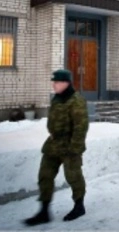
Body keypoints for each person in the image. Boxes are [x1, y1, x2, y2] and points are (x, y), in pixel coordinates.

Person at [24, 69, 89, 226]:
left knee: (73, 176)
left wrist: (75, 149)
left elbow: (81, 128)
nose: (54, 85)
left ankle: (79, 206)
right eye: (53, 82)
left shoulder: (76, 101)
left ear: (66, 83)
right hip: (53, 145)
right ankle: (44, 210)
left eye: (57, 82)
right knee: (45, 175)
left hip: (69, 145)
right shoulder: (57, 99)